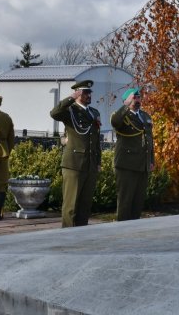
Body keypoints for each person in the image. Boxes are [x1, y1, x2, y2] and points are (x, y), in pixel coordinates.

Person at [50, 80, 101, 227]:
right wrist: (71, 98)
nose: (88, 95)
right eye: (85, 92)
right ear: (78, 92)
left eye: (89, 92)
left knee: (85, 204)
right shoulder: (70, 111)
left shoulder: (94, 113)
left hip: (90, 164)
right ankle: (67, 234)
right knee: (71, 204)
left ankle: (81, 233)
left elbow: (96, 140)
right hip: (74, 163)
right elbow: (54, 113)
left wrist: (98, 162)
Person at [110, 87, 154, 221]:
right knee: (125, 201)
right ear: (127, 100)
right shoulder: (122, 115)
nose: (138, 99)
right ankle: (122, 230)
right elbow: (115, 122)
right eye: (134, 97)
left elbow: (149, 140)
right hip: (126, 165)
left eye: (138, 97)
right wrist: (125, 106)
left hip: (142, 165)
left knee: (138, 201)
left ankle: (134, 229)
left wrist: (151, 160)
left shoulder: (145, 116)